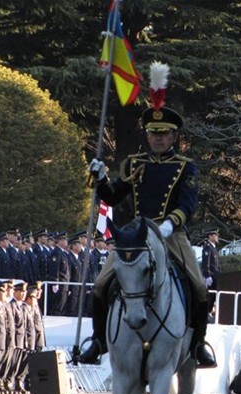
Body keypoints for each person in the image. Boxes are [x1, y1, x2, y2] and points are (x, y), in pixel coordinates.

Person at [77, 62, 215, 368]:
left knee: (197, 286)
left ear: (174, 136)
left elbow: (188, 203)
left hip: (171, 233)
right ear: (148, 134)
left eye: (164, 134)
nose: (158, 139)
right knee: (101, 284)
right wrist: (100, 178)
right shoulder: (133, 162)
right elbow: (113, 197)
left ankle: (198, 345)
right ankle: (98, 341)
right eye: (153, 133)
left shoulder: (185, 165)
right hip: (137, 233)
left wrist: (170, 223)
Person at [200, 228, 220, 315]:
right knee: (210, 296)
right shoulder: (208, 247)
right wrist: (207, 276)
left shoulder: (214, 248)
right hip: (211, 277)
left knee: (214, 296)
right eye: (215, 235)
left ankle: (209, 311)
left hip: (216, 277)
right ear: (210, 236)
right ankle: (206, 313)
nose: (217, 237)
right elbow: (206, 263)